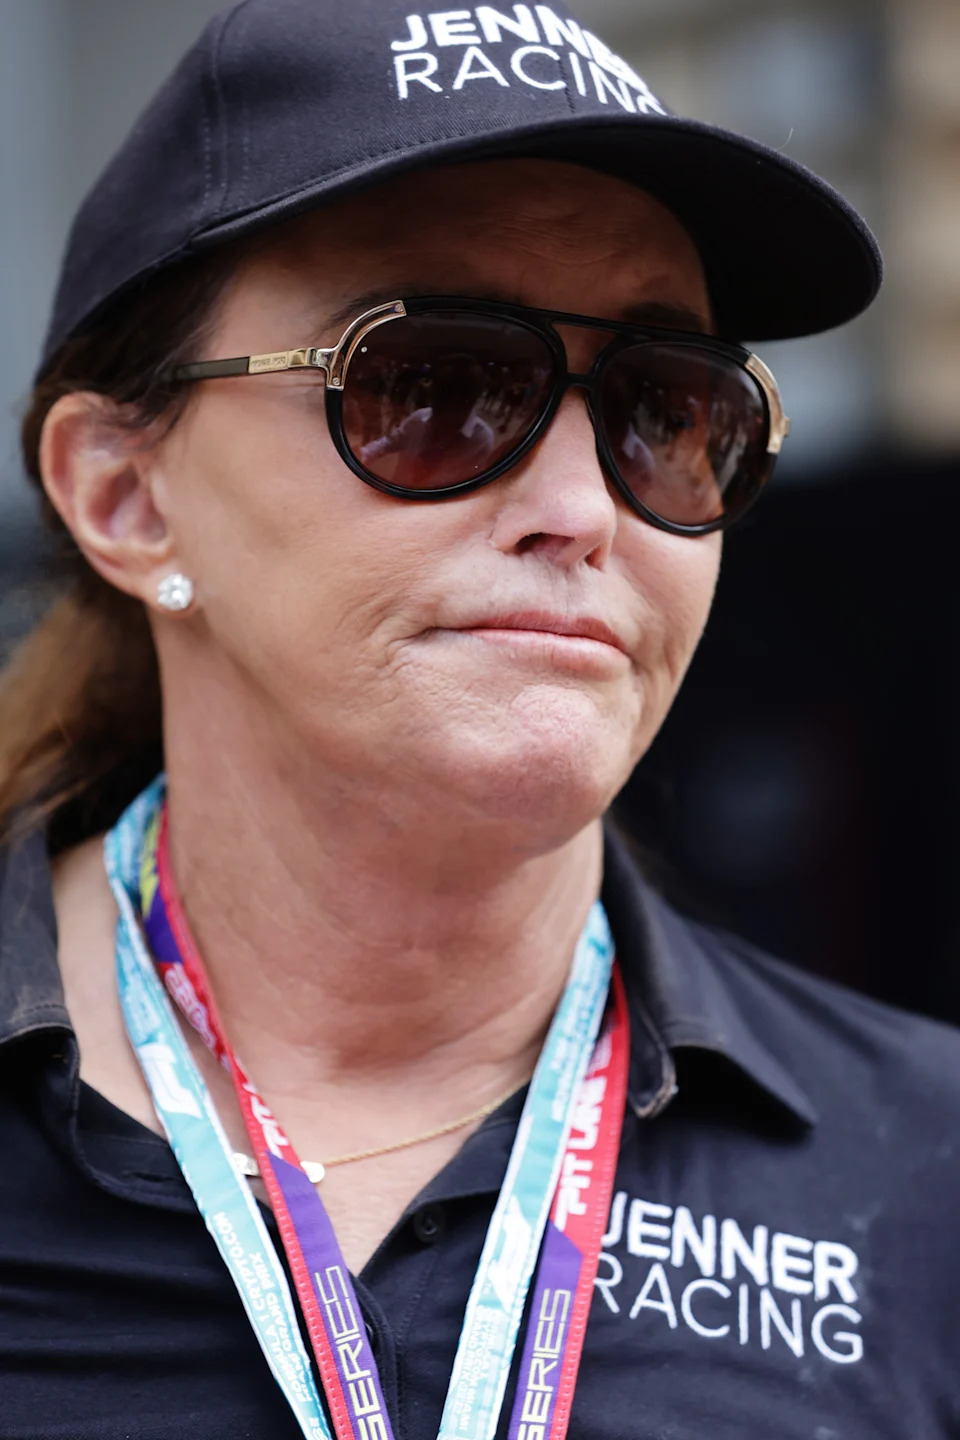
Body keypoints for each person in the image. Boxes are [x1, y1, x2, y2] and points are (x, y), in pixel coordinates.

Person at [1, 3, 957, 1438]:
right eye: (430, 386)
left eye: (667, 409)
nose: (582, 514)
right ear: (126, 497)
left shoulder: (927, 1171)